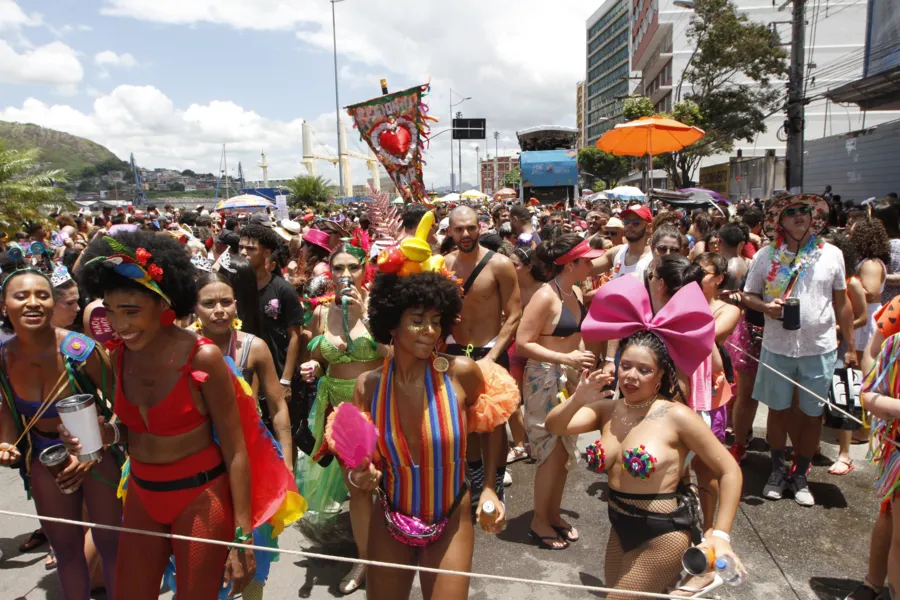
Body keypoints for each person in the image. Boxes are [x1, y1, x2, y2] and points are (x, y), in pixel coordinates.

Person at [71, 232, 258, 599]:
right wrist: (106, 434)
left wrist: (242, 536)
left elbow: (236, 449)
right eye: (110, 310)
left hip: (200, 499)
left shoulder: (201, 358)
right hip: (142, 496)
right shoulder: (119, 355)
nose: (119, 324)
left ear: (163, 304)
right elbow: (132, 430)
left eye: (130, 311)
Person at [551, 273, 744, 598]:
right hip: (619, 527)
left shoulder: (677, 416)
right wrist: (577, 398)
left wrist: (720, 534)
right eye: (626, 366)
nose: (631, 376)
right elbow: (555, 426)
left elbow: (729, 470)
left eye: (644, 370)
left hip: (664, 535)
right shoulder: (607, 410)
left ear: (661, 377)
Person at [344, 268, 515, 600]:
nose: (430, 330)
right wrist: (358, 477)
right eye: (418, 320)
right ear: (392, 323)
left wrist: (491, 489)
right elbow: (358, 463)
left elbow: (493, 426)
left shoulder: (460, 374)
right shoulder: (368, 386)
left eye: (436, 321)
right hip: (390, 516)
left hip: (451, 515)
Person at [0, 268, 122, 599]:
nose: (32, 303)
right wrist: (6, 441)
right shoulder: (3, 357)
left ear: (53, 305)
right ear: (3, 306)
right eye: (20, 296)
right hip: (44, 457)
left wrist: (93, 450)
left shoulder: (81, 350)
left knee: (113, 545)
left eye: (42, 295)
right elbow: (9, 409)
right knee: (65, 548)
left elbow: (121, 404)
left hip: (96, 457)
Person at [742, 194, 857, 506]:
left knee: (811, 416)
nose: (798, 217)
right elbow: (748, 295)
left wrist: (851, 346)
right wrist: (766, 306)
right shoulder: (766, 256)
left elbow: (842, 303)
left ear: (813, 217)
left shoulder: (831, 254)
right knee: (777, 413)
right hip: (777, 347)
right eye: (790, 213)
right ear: (780, 221)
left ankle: (801, 473)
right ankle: (777, 471)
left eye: (804, 211)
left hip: (819, 347)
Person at [297, 243, 383, 594]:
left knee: (390, 485)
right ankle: (364, 560)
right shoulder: (320, 313)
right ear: (328, 273)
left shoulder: (381, 308)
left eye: (353, 267)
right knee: (358, 489)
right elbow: (319, 354)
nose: (345, 275)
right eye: (338, 269)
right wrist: (313, 366)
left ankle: (400, 550)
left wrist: (364, 318)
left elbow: (400, 352)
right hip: (339, 414)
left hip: (380, 406)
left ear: (365, 270)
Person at [516, 233, 600, 549]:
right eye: (586, 260)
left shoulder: (575, 290)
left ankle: (551, 514)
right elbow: (523, 342)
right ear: (570, 263)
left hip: (569, 377)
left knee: (565, 449)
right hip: (544, 378)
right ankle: (539, 519)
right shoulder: (545, 296)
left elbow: (575, 338)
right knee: (550, 450)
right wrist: (566, 358)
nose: (591, 264)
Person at [443, 206, 521, 510]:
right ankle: (476, 483)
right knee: (464, 423)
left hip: (490, 352)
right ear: (449, 231)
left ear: (480, 227)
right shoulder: (442, 265)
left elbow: (514, 314)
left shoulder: (500, 265)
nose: (466, 234)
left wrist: (493, 356)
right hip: (452, 353)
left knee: (494, 424)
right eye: (459, 229)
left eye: (471, 228)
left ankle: (493, 485)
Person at [239, 224, 304, 433]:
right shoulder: (234, 287)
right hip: (244, 375)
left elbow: (295, 336)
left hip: (277, 374)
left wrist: (285, 379)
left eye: (250, 249)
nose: (243, 253)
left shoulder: (282, 289)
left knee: (284, 430)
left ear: (266, 253)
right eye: (240, 247)